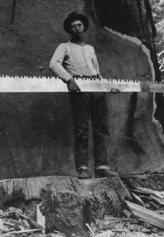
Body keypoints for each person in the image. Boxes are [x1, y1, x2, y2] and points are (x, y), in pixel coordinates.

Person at [49, 12, 118, 180]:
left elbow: (97, 71)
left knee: (101, 128)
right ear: (69, 29)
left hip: (96, 87)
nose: (77, 28)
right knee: (82, 130)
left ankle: (102, 167)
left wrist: (105, 86)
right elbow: (53, 64)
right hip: (79, 89)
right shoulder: (64, 47)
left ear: (84, 27)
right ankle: (82, 168)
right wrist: (69, 79)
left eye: (79, 25)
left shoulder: (90, 49)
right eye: (73, 26)